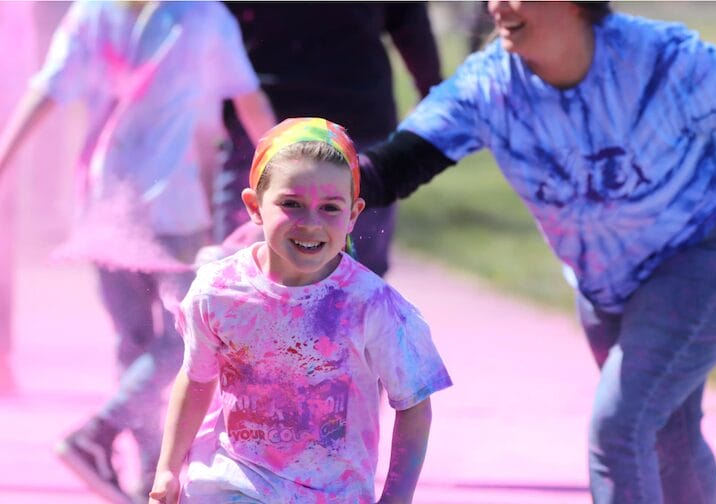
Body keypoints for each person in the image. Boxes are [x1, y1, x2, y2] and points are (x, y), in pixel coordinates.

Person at [358, 1, 716, 503]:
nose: (495, 6)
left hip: (711, 246)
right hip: (604, 278)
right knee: (667, 431)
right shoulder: (491, 86)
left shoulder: (660, 60)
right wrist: (307, 178)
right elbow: (393, 167)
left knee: (621, 426)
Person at [0, 1, 275, 501]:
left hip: (107, 202)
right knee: (184, 337)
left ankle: (147, 477)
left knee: (136, 343)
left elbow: (48, 89)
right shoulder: (203, 17)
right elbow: (250, 102)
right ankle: (101, 435)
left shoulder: (95, 12)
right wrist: (283, 168)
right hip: (173, 205)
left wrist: (5, 155)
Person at [148, 118, 452, 504]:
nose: (310, 223)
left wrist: (396, 498)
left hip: (331, 494)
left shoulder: (372, 305)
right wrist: (168, 470)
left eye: (329, 208)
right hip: (230, 483)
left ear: (354, 214)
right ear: (254, 207)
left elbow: (414, 406)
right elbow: (195, 379)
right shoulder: (219, 290)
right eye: (291, 204)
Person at [215, 2, 442, 277]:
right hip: (268, 120)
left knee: (355, 281)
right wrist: (429, 88)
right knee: (241, 275)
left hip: (291, 120)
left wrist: (430, 90)